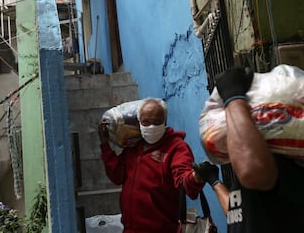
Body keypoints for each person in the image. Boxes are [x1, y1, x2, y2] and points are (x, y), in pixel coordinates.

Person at [193, 66, 304, 232]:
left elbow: (250, 171)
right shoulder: (259, 172)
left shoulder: (280, 163)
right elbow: (237, 213)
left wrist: (233, 96)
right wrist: (214, 182)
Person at [98, 97, 205, 233]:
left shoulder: (176, 147)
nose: (151, 127)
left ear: (165, 121)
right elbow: (117, 176)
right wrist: (105, 145)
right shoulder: (134, 148)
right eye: (146, 122)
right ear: (139, 123)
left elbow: (183, 178)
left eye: (157, 122)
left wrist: (195, 178)